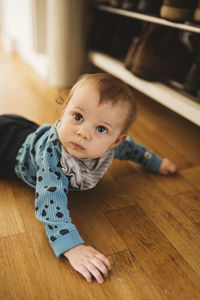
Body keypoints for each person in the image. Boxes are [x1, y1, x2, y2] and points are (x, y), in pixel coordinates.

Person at [0, 73, 176, 284]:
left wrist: (154, 162)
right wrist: (72, 246)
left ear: (115, 141)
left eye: (101, 129)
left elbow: (132, 150)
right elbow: (50, 199)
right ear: (64, 111)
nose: (83, 132)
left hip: (25, 130)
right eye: (78, 117)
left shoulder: (113, 147)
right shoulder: (52, 156)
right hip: (8, 148)